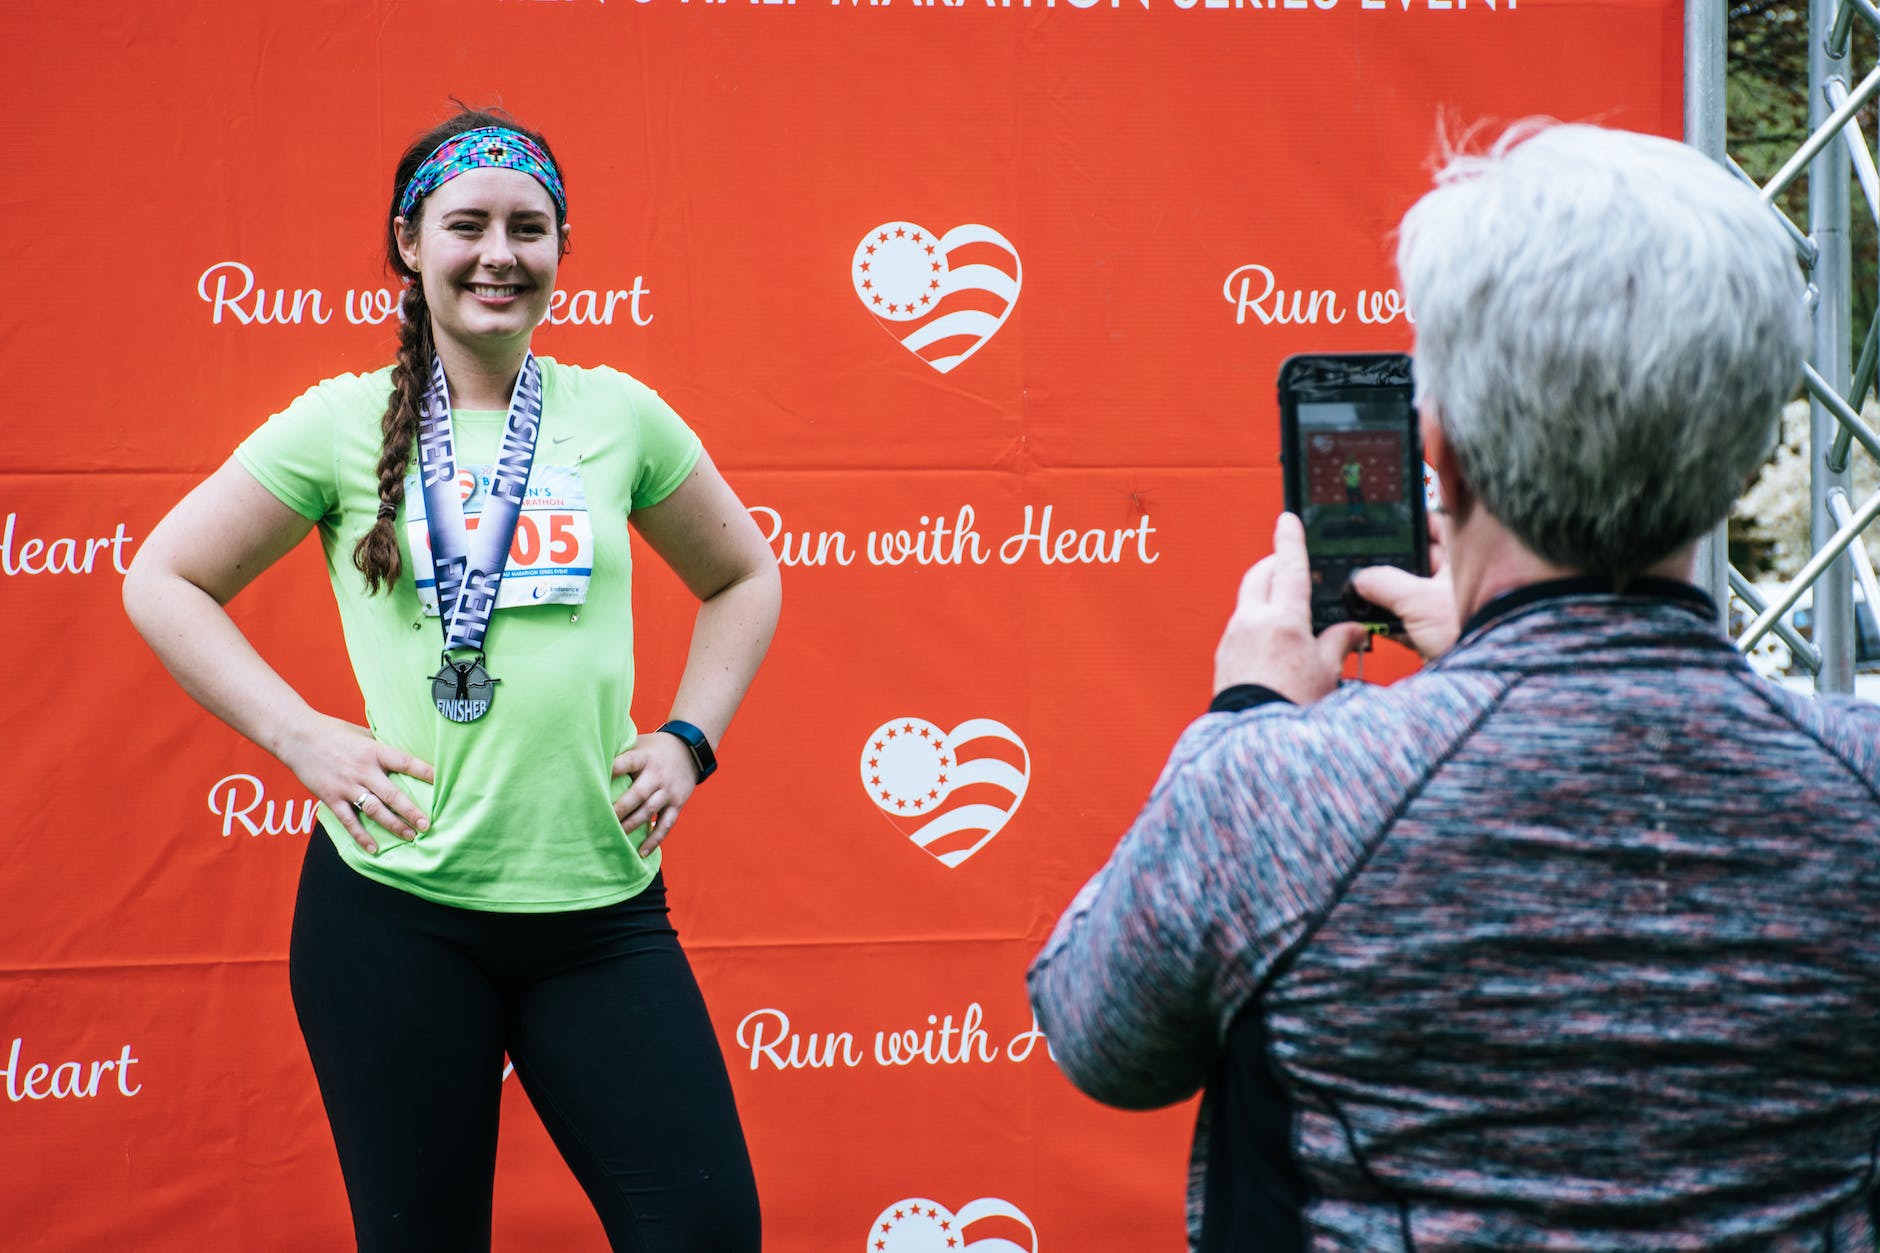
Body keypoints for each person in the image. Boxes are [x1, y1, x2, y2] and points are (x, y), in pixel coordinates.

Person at [1028, 122, 1880, 1249]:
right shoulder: (1857, 787)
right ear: (1741, 453)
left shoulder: (1279, 793)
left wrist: (1245, 715)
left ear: (1440, 445)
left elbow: (1100, 1037)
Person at [124, 108, 776, 1251]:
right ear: (408, 242)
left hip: (598, 913)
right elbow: (164, 576)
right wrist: (299, 735)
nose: (498, 253)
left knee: (708, 1228)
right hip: (394, 920)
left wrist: (689, 735)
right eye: (465, 224)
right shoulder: (337, 423)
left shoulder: (617, 414)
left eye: (528, 228)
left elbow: (743, 574)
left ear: (562, 247)